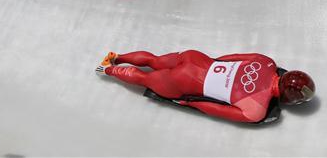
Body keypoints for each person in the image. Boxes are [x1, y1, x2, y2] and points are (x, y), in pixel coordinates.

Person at [96, 49, 315, 123]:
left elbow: (232, 57)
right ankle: (107, 69)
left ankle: (118, 56)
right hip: (185, 83)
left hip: (195, 59)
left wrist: (211, 63)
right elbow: (214, 109)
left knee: (154, 60)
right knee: (145, 80)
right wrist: (188, 102)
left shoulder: (266, 61)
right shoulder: (255, 110)